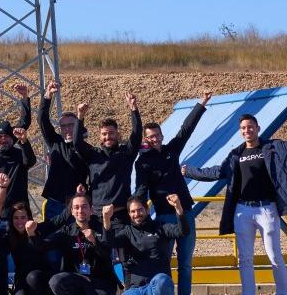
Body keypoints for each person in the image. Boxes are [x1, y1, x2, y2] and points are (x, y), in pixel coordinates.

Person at [182, 105, 287, 295]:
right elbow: (215, 172)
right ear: (241, 131)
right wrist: (189, 171)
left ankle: (282, 293)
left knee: (274, 256)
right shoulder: (235, 155)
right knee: (245, 259)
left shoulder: (274, 147)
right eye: (243, 128)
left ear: (258, 128)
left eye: (250, 126)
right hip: (242, 211)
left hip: (267, 210)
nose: (247, 130)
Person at [132, 93, 208, 295]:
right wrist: (135, 210)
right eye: (151, 137)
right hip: (164, 218)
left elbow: (186, 130)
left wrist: (201, 104)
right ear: (146, 140)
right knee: (163, 262)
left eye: (158, 135)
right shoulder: (143, 162)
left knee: (185, 262)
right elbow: (141, 189)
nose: (155, 139)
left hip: (185, 214)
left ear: (162, 136)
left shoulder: (171, 150)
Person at [80, 97, 143, 226]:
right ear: (100, 136)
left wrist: (133, 109)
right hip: (97, 217)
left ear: (117, 134)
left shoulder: (126, 153)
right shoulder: (93, 154)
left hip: (121, 217)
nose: (108, 137)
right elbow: (77, 142)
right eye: (104, 134)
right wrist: (80, 117)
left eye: (111, 133)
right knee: (98, 247)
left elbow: (136, 134)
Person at [106, 195, 187, 295]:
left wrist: (178, 207)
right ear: (129, 214)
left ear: (147, 210)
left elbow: (183, 231)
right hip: (136, 288)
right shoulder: (127, 232)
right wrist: (106, 219)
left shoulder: (160, 227)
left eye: (140, 210)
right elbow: (109, 243)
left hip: (157, 286)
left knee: (163, 280)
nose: (137, 214)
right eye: (133, 211)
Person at [37, 83, 90, 222]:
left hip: (77, 205)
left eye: (71, 125)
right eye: (63, 126)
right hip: (55, 203)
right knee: (53, 240)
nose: (67, 129)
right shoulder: (56, 142)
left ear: (78, 126)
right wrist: (47, 96)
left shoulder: (88, 149)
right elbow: (42, 120)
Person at [44, 196, 117, 295]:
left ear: (91, 209)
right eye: (76, 207)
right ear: (72, 211)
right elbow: (43, 245)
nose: (80, 210)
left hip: (100, 281)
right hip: (76, 279)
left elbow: (107, 254)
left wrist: (95, 242)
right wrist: (31, 234)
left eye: (84, 206)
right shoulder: (67, 231)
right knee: (56, 282)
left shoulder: (102, 227)